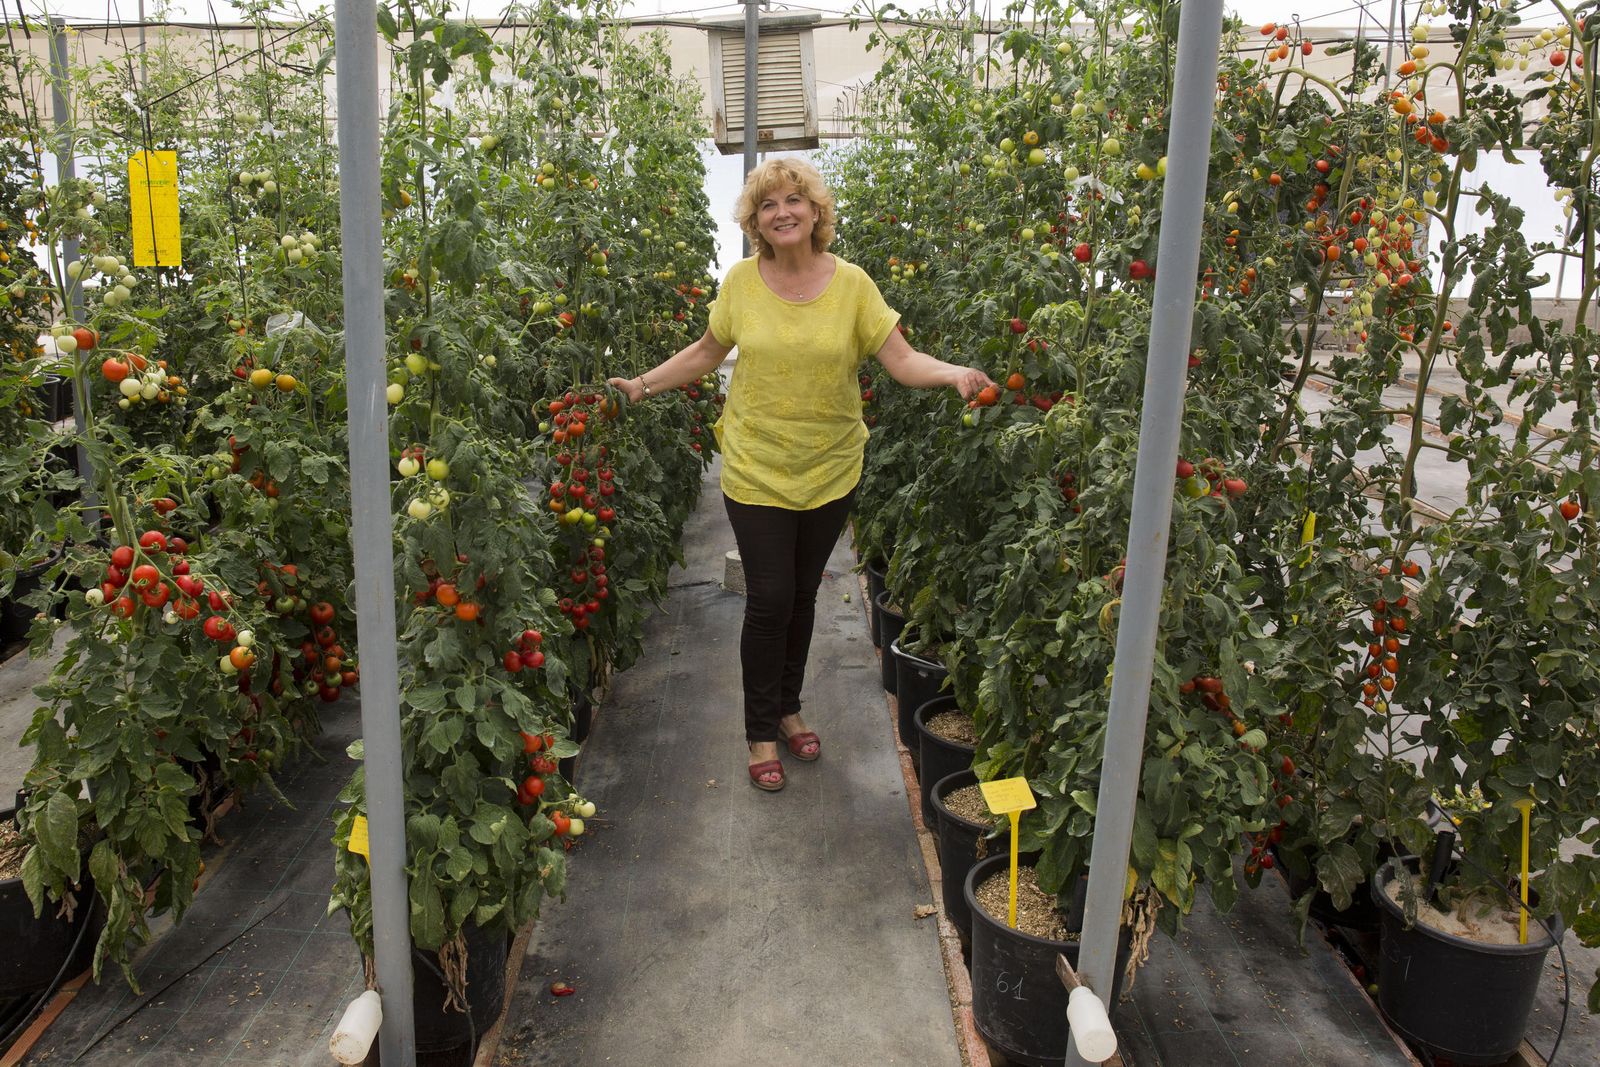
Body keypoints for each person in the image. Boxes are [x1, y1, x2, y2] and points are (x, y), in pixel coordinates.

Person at [608, 156, 994, 793]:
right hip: (757, 465)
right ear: (756, 221)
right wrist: (644, 385)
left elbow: (900, 360)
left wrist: (953, 373)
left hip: (830, 467)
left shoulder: (853, 286)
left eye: (794, 200)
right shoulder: (740, 282)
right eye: (767, 205)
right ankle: (760, 728)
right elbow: (708, 351)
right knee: (771, 598)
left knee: (805, 594)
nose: (782, 212)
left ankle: (788, 708)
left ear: (816, 212)